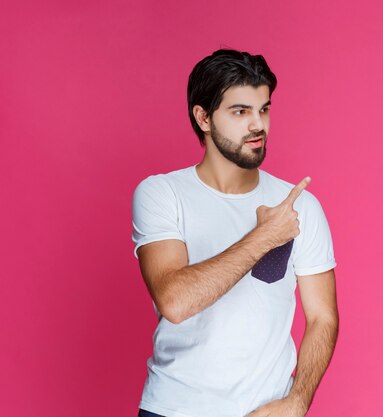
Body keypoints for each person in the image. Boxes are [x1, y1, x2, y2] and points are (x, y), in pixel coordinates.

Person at [131, 49, 338, 417]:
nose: (258, 125)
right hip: (173, 409)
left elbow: (323, 317)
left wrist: (298, 400)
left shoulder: (301, 206)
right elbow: (175, 301)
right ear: (203, 117)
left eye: (264, 109)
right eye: (241, 112)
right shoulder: (162, 194)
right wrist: (265, 237)